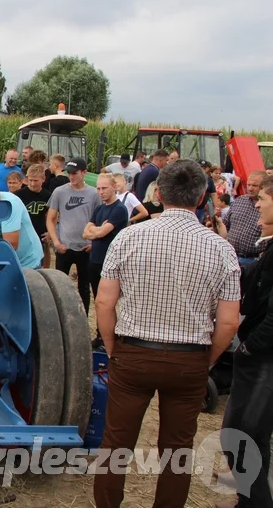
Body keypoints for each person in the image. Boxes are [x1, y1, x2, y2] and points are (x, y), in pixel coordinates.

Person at [92, 159, 241, 508]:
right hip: (190, 358)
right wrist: (208, 359)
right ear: (203, 194)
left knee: (115, 442)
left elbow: (103, 301)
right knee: (178, 450)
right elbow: (230, 322)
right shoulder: (221, 248)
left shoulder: (128, 237)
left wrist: (114, 349)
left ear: (158, 194)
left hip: (133, 352)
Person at [217, 175, 273, 508]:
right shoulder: (268, 245)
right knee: (237, 431)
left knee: (248, 432)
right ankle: (246, 495)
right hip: (256, 354)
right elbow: (251, 279)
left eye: (262, 199)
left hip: (265, 356)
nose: (256, 204)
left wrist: (250, 346)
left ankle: (255, 502)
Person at [46, 157, 100, 314]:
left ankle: (82, 317)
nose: (71, 177)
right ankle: (61, 315)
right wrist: (56, 242)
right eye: (69, 173)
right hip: (64, 247)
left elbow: (100, 221)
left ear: (84, 173)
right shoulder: (60, 192)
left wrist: (94, 242)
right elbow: (50, 219)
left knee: (84, 286)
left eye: (75, 173)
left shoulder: (94, 194)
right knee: (60, 285)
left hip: (85, 247)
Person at [83, 174, 128, 346]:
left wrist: (97, 230)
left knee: (107, 302)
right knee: (98, 300)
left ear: (114, 186)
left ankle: (110, 336)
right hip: (95, 259)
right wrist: (97, 230)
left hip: (109, 261)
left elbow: (100, 233)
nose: (101, 192)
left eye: (104, 188)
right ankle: (101, 334)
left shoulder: (119, 209)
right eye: (99, 189)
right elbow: (86, 232)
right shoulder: (100, 209)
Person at [222, 170, 266, 266]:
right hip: (231, 256)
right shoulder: (240, 201)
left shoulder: (268, 207)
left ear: (264, 186)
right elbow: (225, 224)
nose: (250, 188)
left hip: (254, 260)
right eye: (248, 185)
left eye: (254, 186)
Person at [16, 164, 52, 268]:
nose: (32, 183)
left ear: (43, 179)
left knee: (40, 263)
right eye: (30, 180)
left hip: (40, 234)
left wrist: (50, 232)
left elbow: (51, 217)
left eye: (36, 180)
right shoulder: (19, 195)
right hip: (22, 235)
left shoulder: (48, 196)